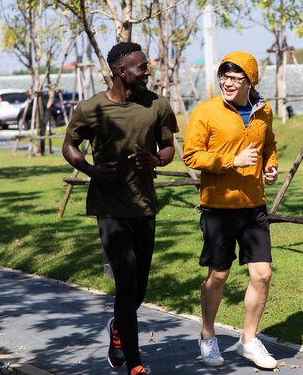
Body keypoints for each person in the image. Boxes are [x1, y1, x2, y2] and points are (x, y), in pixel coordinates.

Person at [62, 42, 178, 375]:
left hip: (144, 206)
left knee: (138, 288)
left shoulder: (157, 105)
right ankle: (136, 364)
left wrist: (155, 159)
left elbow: (170, 147)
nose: (147, 71)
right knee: (126, 284)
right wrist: (90, 170)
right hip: (109, 207)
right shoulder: (90, 109)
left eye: (147, 66)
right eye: (142, 67)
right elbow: (70, 144)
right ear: (120, 71)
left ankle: (118, 328)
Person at [183, 51, 279, 369]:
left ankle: (248, 340)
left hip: (254, 206)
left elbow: (269, 147)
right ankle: (208, 336)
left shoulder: (263, 111)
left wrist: (270, 167)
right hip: (218, 207)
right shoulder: (205, 111)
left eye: (236, 78)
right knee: (219, 275)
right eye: (224, 76)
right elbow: (191, 155)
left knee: (262, 275)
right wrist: (230, 162)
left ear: (250, 81)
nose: (228, 82)